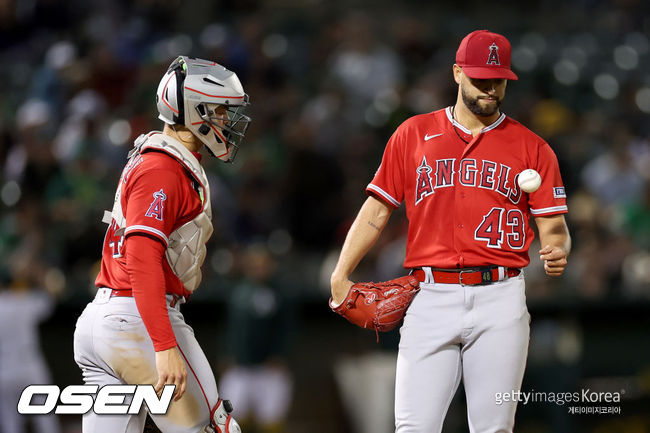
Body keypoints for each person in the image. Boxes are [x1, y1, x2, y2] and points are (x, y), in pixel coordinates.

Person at [330, 30, 571, 433]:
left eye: (498, 80)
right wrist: (341, 272)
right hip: (429, 295)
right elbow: (376, 210)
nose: (490, 88)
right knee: (413, 427)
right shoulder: (412, 133)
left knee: (494, 428)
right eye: (480, 78)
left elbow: (554, 225)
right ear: (457, 73)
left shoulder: (533, 148)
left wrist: (557, 247)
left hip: (501, 297)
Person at [73, 56, 251, 433]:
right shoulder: (163, 168)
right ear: (195, 110)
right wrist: (164, 344)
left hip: (106, 321)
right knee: (214, 428)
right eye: (219, 110)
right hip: (136, 321)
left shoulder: (162, 161)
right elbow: (141, 255)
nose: (226, 121)